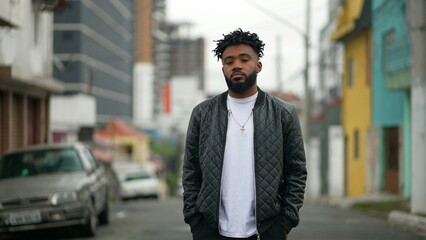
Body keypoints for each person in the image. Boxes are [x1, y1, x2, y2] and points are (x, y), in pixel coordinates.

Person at [182, 28, 307, 240]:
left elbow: (296, 171)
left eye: (244, 59)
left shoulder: (283, 113)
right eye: (229, 61)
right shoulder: (202, 114)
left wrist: (285, 223)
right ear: (223, 68)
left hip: (265, 231)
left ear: (258, 65)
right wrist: (195, 221)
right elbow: (191, 171)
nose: (236, 65)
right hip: (211, 231)